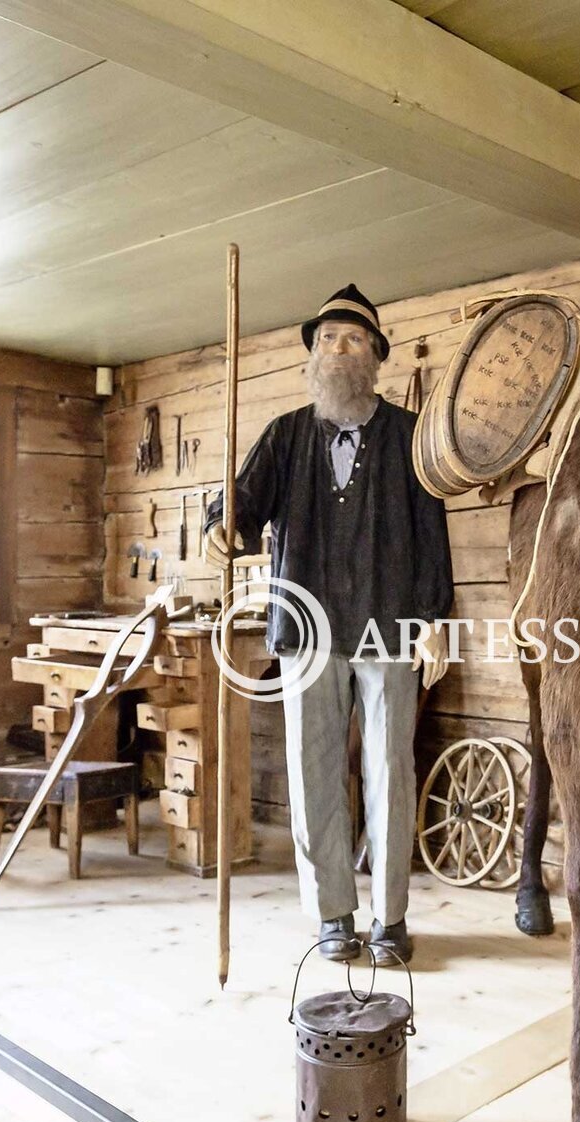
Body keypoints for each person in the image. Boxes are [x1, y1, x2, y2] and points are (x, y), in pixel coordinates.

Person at [206, 284, 452, 965]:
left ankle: (391, 916)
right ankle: (333, 915)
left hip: (390, 625)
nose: (336, 350)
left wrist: (435, 617)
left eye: (350, 339)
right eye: (325, 340)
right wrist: (222, 528)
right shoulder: (285, 434)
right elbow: (242, 505)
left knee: (388, 772)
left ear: (374, 354)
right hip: (307, 631)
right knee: (314, 774)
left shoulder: (409, 435)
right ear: (313, 356)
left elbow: (432, 530)